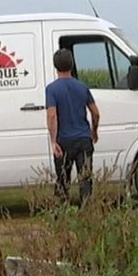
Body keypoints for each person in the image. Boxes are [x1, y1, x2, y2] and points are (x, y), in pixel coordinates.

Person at [46, 48, 101, 204]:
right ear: (72, 65)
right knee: (85, 179)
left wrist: (53, 140)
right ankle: (87, 210)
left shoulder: (52, 89)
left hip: (64, 142)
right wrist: (94, 131)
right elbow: (95, 113)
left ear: (55, 66)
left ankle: (63, 212)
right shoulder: (82, 87)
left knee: (63, 180)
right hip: (83, 139)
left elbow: (52, 116)